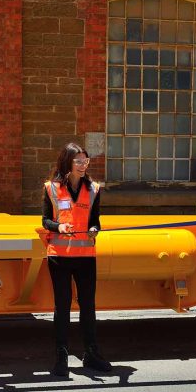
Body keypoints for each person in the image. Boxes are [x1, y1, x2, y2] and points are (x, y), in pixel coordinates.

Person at [42, 143, 112, 377]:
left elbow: (96, 221)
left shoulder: (93, 189)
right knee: (62, 308)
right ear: (68, 163)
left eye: (86, 161)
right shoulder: (52, 189)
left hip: (85, 257)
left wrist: (94, 229)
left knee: (88, 307)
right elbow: (45, 221)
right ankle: (61, 357)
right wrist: (59, 226)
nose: (83, 165)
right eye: (79, 161)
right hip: (59, 257)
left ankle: (91, 353)